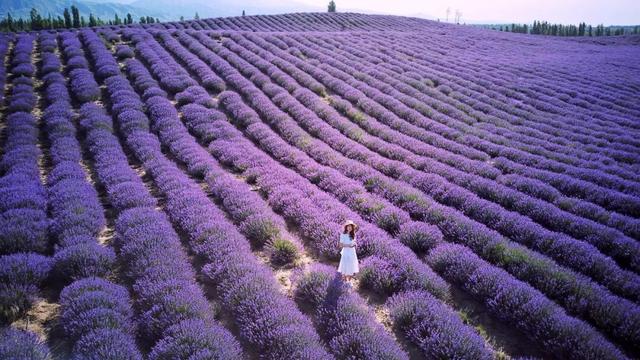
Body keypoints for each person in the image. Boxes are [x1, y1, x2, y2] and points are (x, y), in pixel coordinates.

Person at [338, 220, 359, 284]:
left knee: (351, 265)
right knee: (345, 265)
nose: (349, 228)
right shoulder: (343, 235)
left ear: (352, 227)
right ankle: (344, 280)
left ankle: (349, 281)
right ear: (346, 227)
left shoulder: (353, 234)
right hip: (346, 252)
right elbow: (340, 245)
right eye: (348, 226)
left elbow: (354, 242)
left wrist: (355, 244)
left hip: (352, 252)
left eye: (351, 226)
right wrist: (348, 245)